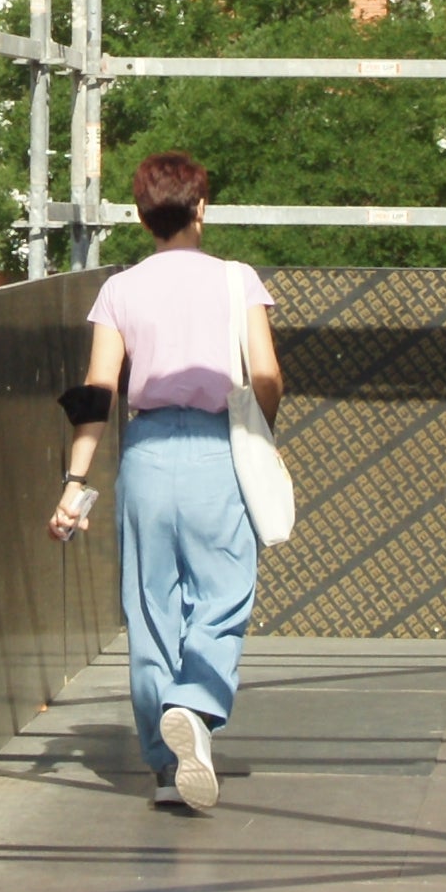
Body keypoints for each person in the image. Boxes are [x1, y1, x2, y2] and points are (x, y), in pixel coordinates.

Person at [46, 151, 281, 812]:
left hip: (146, 454)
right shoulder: (239, 281)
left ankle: (166, 762)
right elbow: (266, 376)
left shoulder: (120, 289)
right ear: (201, 209)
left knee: (151, 609)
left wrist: (75, 483)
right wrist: (258, 439)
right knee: (224, 592)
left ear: (144, 217)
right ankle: (195, 706)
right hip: (217, 450)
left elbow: (98, 391)